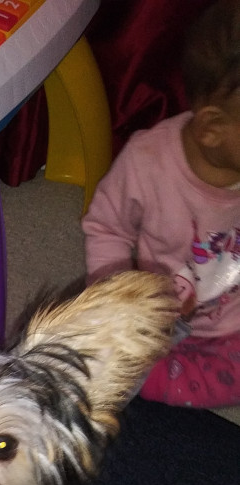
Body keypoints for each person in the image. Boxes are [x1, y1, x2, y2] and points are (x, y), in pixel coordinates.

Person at [82, 0, 240, 407]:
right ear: (212, 128)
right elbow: (106, 228)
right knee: (91, 346)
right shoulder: (147, 161)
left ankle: (166, 374)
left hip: (232, 323)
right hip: (160, 316)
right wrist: (120, 298)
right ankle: (157, 374)